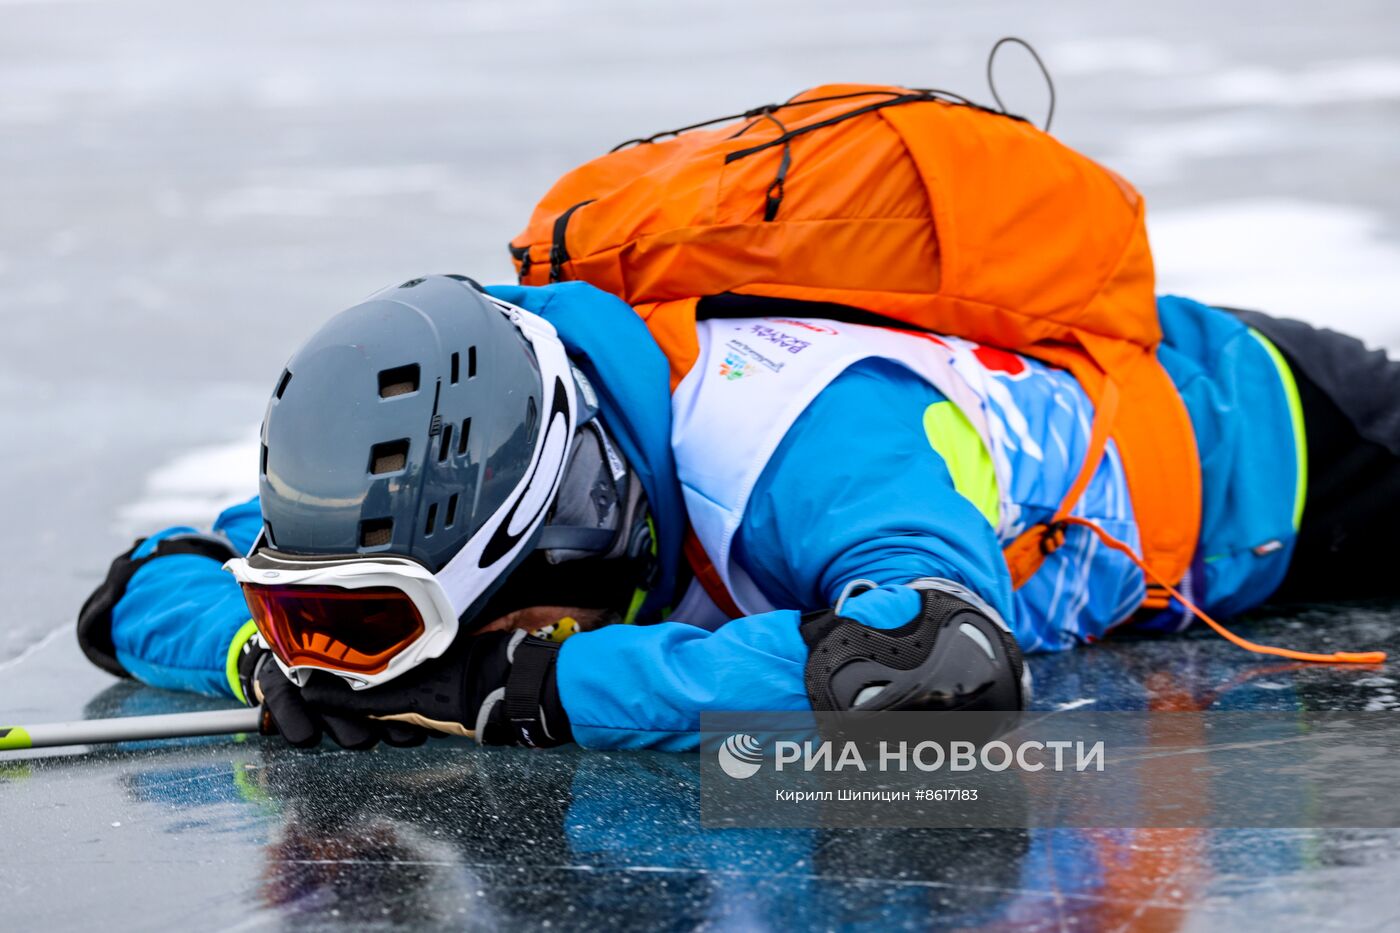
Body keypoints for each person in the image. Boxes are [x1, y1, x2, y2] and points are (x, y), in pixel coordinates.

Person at [75, 274, 1394, 752]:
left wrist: (535, 688)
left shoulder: (807, 441)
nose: (392, 664)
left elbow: (939, 663)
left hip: (1279, 440)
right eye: (357, 620)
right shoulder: (439, 450)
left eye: (400, 625)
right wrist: (278, 649)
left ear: (578, 523)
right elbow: (140, 584)